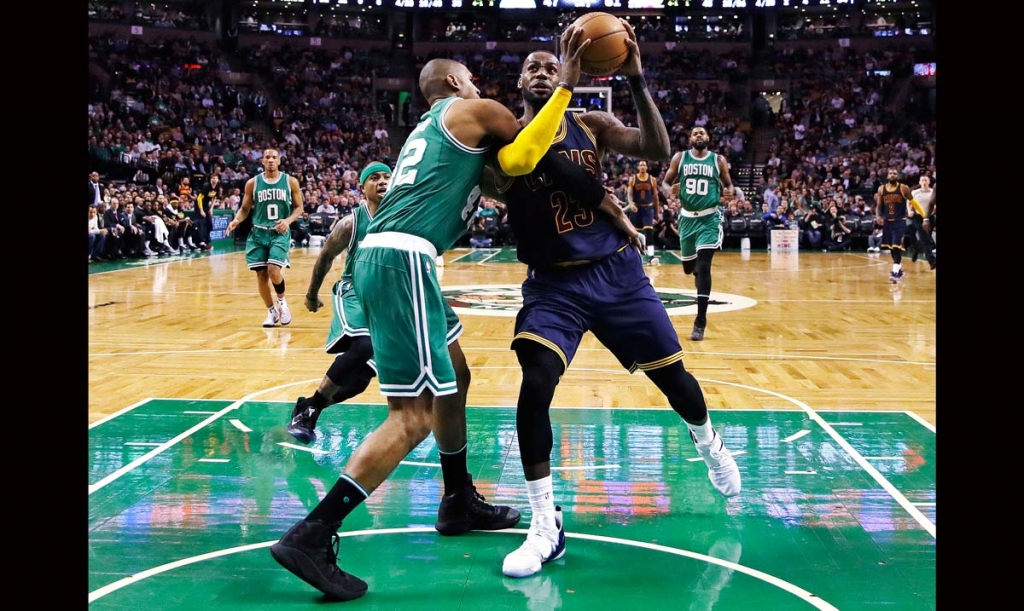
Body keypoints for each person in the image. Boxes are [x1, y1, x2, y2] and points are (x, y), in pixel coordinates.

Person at [269, 26, 589, 602]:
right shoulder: (474, 110)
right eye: (470, 78)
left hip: (397, 259)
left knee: (455, 378)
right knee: (413, 415)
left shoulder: (432, 133)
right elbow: (519, 156)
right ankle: (312, 534)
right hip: (405, 261)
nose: (479, 85)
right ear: (450, 82)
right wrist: (564, 87)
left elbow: (499, 176)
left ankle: (456, 498)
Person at [483, 28, 741, 580]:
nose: (543, 72)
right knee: (535, 383)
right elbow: (518, 175)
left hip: (616, 273)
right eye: (532, 67)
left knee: (675, 383)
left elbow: (656, 150)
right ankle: (544, 525)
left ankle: (708, 440)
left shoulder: (593, 124)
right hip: (554, 285)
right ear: (518, 81)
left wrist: (637, 79)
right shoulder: (504, 134)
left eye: (551, 67)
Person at [284, 162, 391, 445]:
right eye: (375, 178)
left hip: (383, 299)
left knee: (361, 380)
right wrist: (311, 294)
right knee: (364, 345)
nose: (382, 181)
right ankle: (309, 411)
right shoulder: (350, 223)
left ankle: (309, 406)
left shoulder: (401, 218)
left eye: (387, 177)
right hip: (353, 291)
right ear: (362, 187)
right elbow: (325, 257)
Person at [661, 126, 736, 341]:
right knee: (688, 268)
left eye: (702, 132)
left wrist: (729, 193)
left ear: (708, 137)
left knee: (704, 266)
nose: (699, 135)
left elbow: (729, 185)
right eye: (695, 133)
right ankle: (695, 273)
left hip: (709, 218)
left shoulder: (718, 160)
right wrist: (670, 191)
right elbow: (666, 182)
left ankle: (700, 321)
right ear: (690, 139)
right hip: (686, 219)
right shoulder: (680, 158)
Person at [226, 149, 304, 327]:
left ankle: (282, 302)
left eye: (274, 157)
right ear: (262, 161)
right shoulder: (253, 183)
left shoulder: (290, 181)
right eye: (267, 157)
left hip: (279, 232)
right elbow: (245, 208)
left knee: (273, 270)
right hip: (258, 233)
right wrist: (236, 220)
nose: (270, 160)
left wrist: (288, 220)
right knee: (261, 276)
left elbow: (299, 208)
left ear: (279, 161)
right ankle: (271, 312)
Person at [874, 168, 925, 283]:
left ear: (898, 176)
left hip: (899, 221)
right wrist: (878, 216)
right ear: (887, 176)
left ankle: (895, 272)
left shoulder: (903, 188)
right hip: (887, 222)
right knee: (892, 248)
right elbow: (879, 205)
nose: (892, 175)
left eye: (894, 174)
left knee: (896, 247)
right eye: (890, 173)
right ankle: (899, 269)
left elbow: (913, 202)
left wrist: (924, 215)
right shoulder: (881, 189)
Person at [625, 160, 661, 264]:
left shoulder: (652, 179)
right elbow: (630, 194)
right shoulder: (633, 179)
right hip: (637, 209)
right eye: (640, 165)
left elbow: (655, 197)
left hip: (648, 209)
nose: (642, 167)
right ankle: (634, 255)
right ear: (638, 167)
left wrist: (657, 212)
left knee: (649, 232)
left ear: (646, 167)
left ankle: (651, 256)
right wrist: (631, 203)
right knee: (635, 233)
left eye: (644, 165)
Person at [909, 175, 936, 270]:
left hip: (930, 217)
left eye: (926, 180)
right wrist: (910, 211)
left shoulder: (933, 191)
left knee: (925, 238)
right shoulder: (914, 192)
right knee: (925, 238)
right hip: (918, 217)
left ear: (929, 182)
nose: (924, 181)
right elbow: (909, 202)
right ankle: (932, 260)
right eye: (922, 180)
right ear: (919, 182)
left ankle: (916, 249)